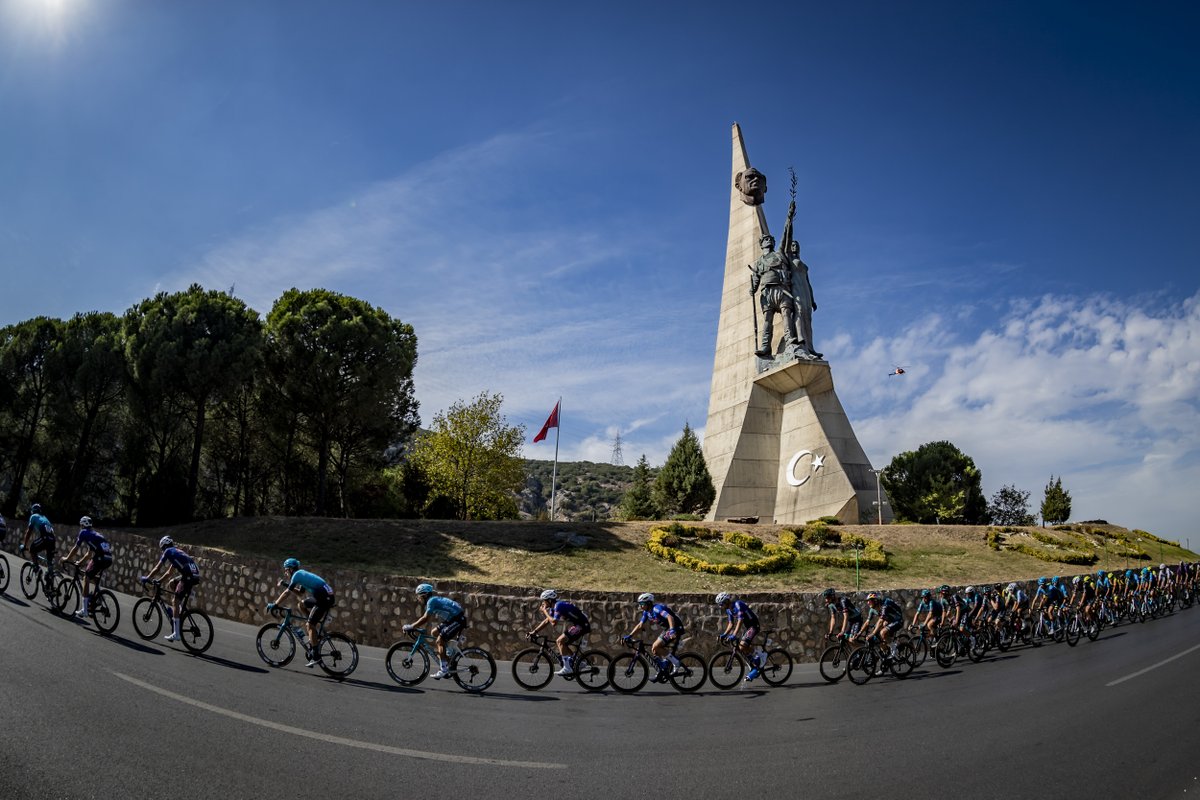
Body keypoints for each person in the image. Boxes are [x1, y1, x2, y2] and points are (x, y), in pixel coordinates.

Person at [267, 558, 335, 668]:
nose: (285, 572)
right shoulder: (301, 575)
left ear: (290, 569)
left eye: (285, 570)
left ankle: (316, 656)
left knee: (310, 624)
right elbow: (300, 593)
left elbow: (286, 594)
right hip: (324, 596)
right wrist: (286, 584)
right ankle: (314, 626)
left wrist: (275, 604)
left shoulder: (297, 575)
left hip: (324, 598)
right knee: (301, 605)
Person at [140, 536, 202, 642]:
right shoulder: (176, 552)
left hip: (188, 576)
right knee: (172, 584)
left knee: (175, 601)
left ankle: (176, 633)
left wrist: (148, 578)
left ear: (164, 546)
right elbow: (169, 573)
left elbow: (158, 567)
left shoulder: (168, 551)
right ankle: (179, 610)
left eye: (162, 548)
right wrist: (159, 581)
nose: (162, 551)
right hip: (194, 575)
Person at [748, 232, 799, 358]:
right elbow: (756, 278)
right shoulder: (759, 262)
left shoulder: (779, 255)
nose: (768, 240)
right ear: (761, 244)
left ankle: (790, 340)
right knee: (767, 321)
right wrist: (753, 289)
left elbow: (786, 235)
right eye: (765, 239)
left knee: (786, 315)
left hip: (781, 290)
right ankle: (765, 347)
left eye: (770, 239)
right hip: (766, 293)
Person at [404, 583, 466, 680]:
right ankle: (448, 655)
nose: (418, 599)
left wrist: (411, 626)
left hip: (457, 620)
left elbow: (425, 618)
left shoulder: (431, 601)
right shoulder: (433, 600)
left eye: (419, 596)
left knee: (439, 641)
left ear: (424, 595)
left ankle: (443, 669)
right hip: (453, 619)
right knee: (434, 633)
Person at [59, 516, 113, 620]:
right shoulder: (94, 534)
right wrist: (79, 562)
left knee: (86, 578)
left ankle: (84, 610)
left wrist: (66, 558)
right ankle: (98, 598)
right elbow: (89, 554)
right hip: (108, 559)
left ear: (83, 525)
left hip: (100, 557)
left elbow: (75, 548)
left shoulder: (83, 533)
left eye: (81, 525)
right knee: (92, 576)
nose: (80, 527)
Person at [528, 589, 591, 676]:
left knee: (560, 641)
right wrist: (534, 631)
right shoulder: (555, 606)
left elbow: (553, 622)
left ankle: (567, 668)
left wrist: (545, 611)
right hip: (579, 624)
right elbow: (547, 621)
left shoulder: (558, 605)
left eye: (544, 601)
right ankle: (578, 662)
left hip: (582, 625)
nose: (543, 603)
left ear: (549, 600)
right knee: (563, 643)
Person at [625, 593, 686, 680]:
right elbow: (640, 625)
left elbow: (669, 617)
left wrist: (672, 630)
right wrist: (630, 636)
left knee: (656, 646)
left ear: (649, 603)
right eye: (639, 604)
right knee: (654, 650)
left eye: (642, 604)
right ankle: (663, 669)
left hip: (675, 627)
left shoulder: (657, 609)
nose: (640, 606)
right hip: (667, 628)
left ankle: (676, 663)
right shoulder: (646, 612)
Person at [715, 592, 764, 681]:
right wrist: (724, 634)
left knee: (742, 645)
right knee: (740, 647)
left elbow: (740, 621)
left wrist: (733, 635)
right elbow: (731, 623)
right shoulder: (728, 610)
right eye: (719, 605)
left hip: (753, 626)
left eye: (721, 604)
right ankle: (754, 665)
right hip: (747, 627)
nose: (720, 606)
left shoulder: (738, 604)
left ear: (726, 601)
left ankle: (758, 659)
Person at [21, 503, 57, 587]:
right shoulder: (45, 518)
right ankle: (50, 583)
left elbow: (29, 532)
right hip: (52, 540)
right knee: (49, 562)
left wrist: (25, 545)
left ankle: (37, 569)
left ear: (33, 511)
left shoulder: (33, 516)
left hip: (45, 538)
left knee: (32, 549)